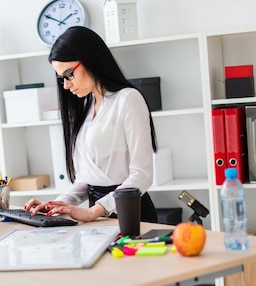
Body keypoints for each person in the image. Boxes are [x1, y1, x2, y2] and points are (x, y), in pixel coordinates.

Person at [24, 26, 159, 223]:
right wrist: (58, 204)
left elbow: (142, 175)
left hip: (130, 213)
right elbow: (87, 181)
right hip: (97, 216)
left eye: (69, 74)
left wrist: (94, 211)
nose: (66, 85)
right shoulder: (86, 107)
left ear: (89, 60)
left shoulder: (128, 99)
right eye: (62, 78)